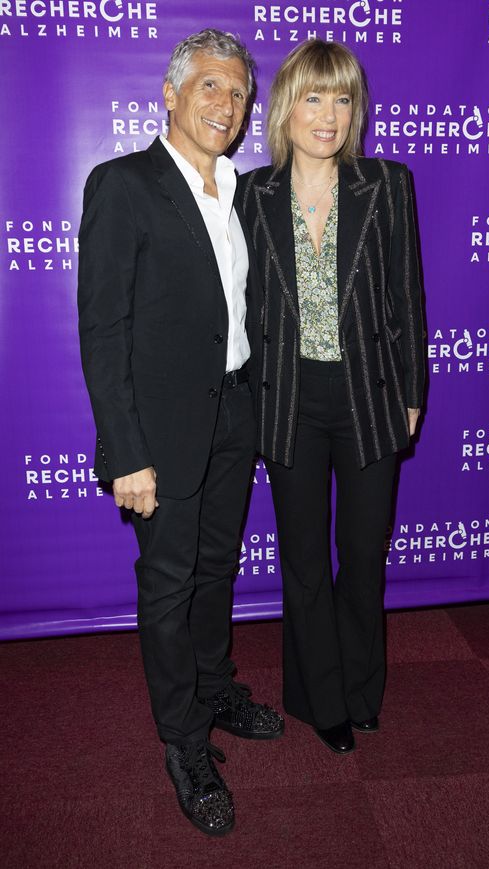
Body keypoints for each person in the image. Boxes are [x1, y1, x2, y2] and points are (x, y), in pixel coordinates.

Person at [78, 29, 284, 837]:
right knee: (168, 585)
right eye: (209, 87)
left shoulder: (243, 190)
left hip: (235, 410)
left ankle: (213, 685)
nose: (226, 106)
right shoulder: (122, 184)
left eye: (237, 93)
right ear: (169, 94)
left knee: (217, 566)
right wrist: (125, 451)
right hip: (159, 432)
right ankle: (184, 742)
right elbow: (103, 329)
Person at [239, 40, 425, 755]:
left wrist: (412, 392)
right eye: (314, 98)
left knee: (364, 555)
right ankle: (321, 698)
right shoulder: (252, 195)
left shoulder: (387, 184)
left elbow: (408, 295)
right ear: (286, 108)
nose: (328, 115)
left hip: (370, 395)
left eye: (342, 98)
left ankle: (361, 688)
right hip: (288, 398)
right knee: (306, 559)